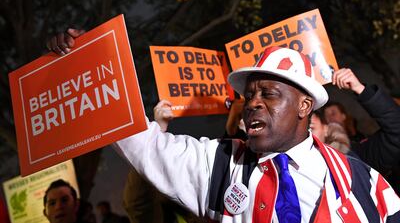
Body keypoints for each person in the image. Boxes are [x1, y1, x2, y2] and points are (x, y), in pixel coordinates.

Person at [47, 34, 400, 221]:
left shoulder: (362, 181)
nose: (253, 103)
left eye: (269, 93)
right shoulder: (218, 164)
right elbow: (145, 145)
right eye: (249, 95)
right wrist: (85, 66)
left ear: (305, 107)